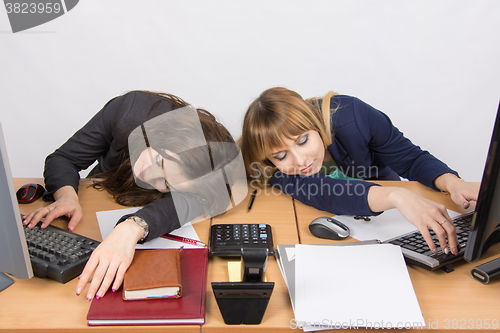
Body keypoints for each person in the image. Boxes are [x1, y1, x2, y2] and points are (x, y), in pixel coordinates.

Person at [22, 90, 239, 301]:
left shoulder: (210, 173)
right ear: (162, 135)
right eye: (159, 162)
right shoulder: (130, 111)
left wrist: (132, 227)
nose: (147, 174)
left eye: (166, 183)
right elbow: (63, 158)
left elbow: (196, 202)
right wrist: (67, 196)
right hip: (97, 198)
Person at [239, 87, 479, 256]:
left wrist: (453, 183)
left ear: (315, 122)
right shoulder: (269, 167)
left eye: (303, 141)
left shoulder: (352, 116)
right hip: (349, 231)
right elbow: (327, 192)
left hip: (390, 220)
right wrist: (397, 196)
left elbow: (410, 158)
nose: (300, 160)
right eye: (281, 156)